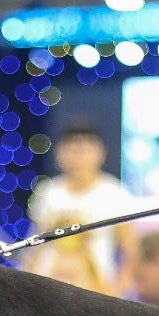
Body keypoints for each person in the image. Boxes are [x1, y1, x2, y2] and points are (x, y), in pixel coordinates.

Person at [27, 123, 139, 291]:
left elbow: (131, 250)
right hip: (48, 287)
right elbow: (35, 245)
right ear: (59, 153)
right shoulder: (47, 192)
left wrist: (117, 290)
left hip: (95, 289)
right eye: (71, 149)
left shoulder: (114, 193)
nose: (77, 156)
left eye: (85, 149)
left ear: (101, 153)